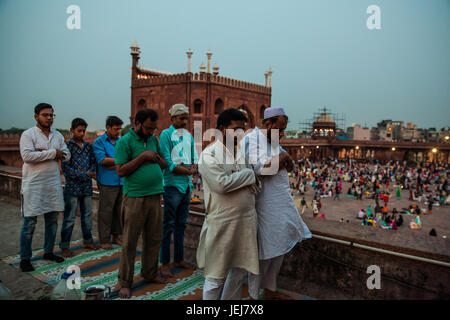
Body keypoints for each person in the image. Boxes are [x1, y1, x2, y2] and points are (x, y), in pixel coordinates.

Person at [242, 107, 312, 300]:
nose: (282, 134)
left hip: (280, 204)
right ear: (267, 124)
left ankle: (270, 290)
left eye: (284, 130)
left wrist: (285, 158)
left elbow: (288, 164)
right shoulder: (252, 140)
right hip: (263, 204)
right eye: (279, 129)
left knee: (279, 248)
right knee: (263, 253)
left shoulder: (274, 143)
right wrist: (282, 158)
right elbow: (260, 170)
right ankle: (254, 296)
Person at [197, 108, 261, 300]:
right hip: (223, 222)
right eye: (237, 129)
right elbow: (222, 185)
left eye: (243, 129)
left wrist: (242, 178)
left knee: (239, 271)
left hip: (246, 221)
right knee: (215, 276)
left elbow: (256, 187)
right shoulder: (209, 155)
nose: (241, 134)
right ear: (223, 129)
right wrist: (248, 175)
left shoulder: (241, 154)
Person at [115, 109, 167, 299]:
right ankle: (125, 282)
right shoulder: (124, 142)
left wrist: (156, 158)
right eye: (147, 128)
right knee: (129, 242)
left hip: (155, 195)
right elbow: (120, 171)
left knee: (154, 239)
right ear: (136, 123)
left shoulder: (153, 139)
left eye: (153, 129)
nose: (151, 132)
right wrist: (143, 157)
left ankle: (149, 272)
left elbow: (162, 162)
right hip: (135, 198)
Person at [19, 103, 70, 272]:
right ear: (36, 116)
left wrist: (45, 152)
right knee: (30, 222)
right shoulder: (28, 134)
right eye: (45, 115)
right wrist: (53, 154)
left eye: (51, 115)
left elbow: (67, 154)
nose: (49, 118)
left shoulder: (57, 136)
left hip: (52, 183)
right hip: (33, 184)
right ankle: (25, 258)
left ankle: (48, 252)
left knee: (52, 221)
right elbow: (27, 156)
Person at [158, 104, 198, 278]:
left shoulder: (188, 136)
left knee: (181, 224)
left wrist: (192, 168)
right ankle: (164, 263)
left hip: (186, 185)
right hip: (172, 185)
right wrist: (187, 170)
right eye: (181, 118)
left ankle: (178, 259)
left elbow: (194, 157)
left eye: (185, 118)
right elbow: (168, 163)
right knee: (168, 226)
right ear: (172, 119)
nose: (184, 121)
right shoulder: (166, 135)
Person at [60, 118, 99, 257]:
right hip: (72, 187)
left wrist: (90, 171)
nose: (82, 133)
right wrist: (85, 174)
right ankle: (64, 246)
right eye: (79, 131)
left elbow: (93, 162)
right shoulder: (67, 147)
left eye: (83, 131)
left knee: (87, 216)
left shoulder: (88, 146)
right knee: (69, 218)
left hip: (86, 187)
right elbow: (66, 168)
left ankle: (88, 241)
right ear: (72, 130)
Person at [93, 116, 124, 250]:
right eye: (115, 129)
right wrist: (119, 161)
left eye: (119, 129)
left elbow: (125, 158)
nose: (118, 132)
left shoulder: (121, 141)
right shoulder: (99, 142)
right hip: (106, 182)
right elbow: (102, 161)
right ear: (108, 128)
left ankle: (116, 237)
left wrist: (114, 162)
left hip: (121, 180)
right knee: (106, 212)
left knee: (119, 211)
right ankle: (104, 239)